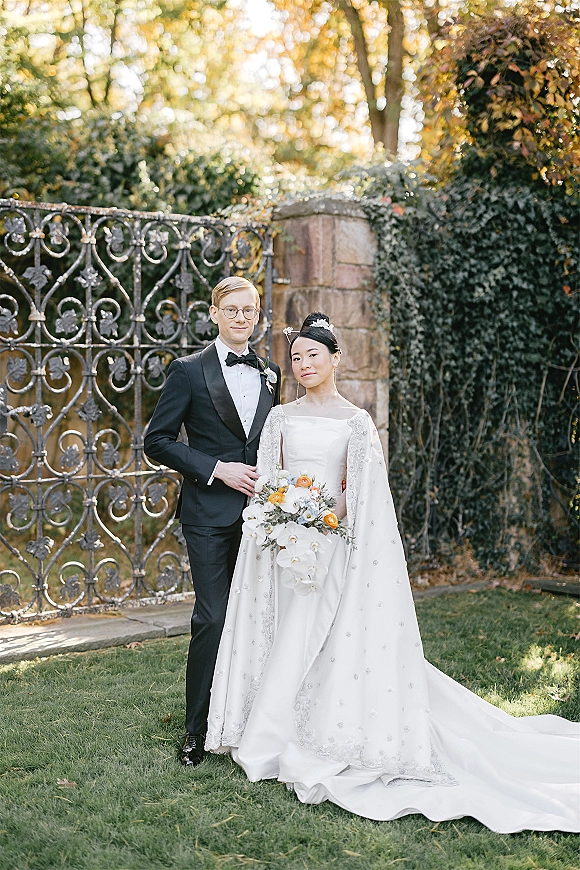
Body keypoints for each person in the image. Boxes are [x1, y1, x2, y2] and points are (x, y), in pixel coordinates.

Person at [205, 312, 580, 833]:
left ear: (335, 359)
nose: (304, 364)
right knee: (280, 631)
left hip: (329, 543)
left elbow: (363, 497)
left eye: (314, 355)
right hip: (279, 543)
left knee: (312, 637)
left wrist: (331, 532)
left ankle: (291, 734)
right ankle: (269, 726)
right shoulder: (280, 419)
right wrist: (273, 521)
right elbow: (269, 477)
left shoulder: (356, 422)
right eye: (296, 357)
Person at [144, 276, 281, 767]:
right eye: (233, 309)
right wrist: (215, 469)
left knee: (256, 619)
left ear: (258, 315)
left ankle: (247, 719)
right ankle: (195, 730)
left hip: (262, 517)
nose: (242, 317)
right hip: (206, 514)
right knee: (214, 617)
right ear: (215, 313)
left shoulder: (272, 373)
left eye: (251, 310)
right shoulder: (187, 371)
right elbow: (156, 441)